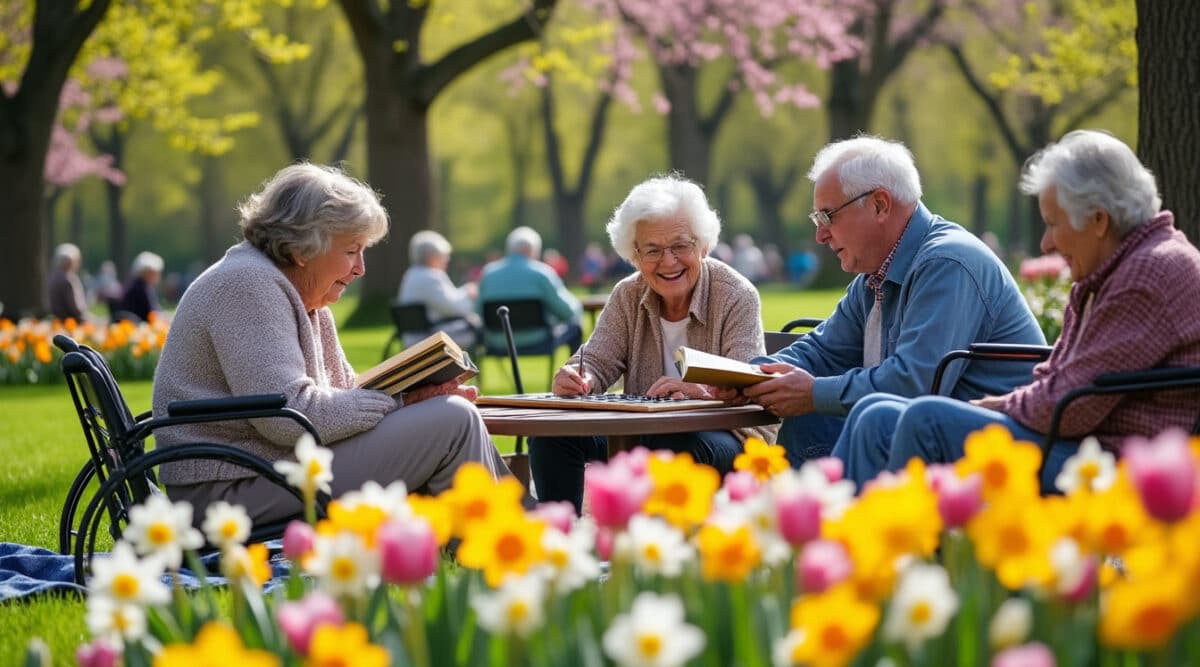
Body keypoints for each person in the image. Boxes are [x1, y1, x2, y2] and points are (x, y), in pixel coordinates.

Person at [831, 130, 1200, 491]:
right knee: (876, 414)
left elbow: (1074, 403)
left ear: (1099, 220)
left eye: (1054, 223)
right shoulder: (1116, 268)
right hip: (1076, 444)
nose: (1046, 242)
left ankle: (910, 550)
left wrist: (1002, 406)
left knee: (926, 419)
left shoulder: (1148, 273)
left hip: (1110, 464)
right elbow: (1065, 385)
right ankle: (851, 546)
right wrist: (1004, 405)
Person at [152, 163, 515, 525]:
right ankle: (505, 543)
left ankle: (505, 537)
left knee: (450, 412)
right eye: (351, 251)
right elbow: (287, 418)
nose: (361, 269)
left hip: (274, 469)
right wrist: (392, 403)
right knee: (453, 419)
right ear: (303, 248)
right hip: (227, 490)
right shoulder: (247, 285)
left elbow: (341, 395)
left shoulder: (304, 295)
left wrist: (411, 397)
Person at [716, 135, 1045, 467]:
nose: (820, 235)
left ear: (879, 204)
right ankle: (810, 512)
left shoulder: (946, 262)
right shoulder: (875, 276)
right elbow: (822, 351)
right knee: (811, 410)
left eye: (827, 217)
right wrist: (745, 378)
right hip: (934, 439)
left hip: (1000, 450)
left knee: (831, 409)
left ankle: (821, 513)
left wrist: (812, 393)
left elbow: (914, 383)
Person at [529, 175, 778, 514]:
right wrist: (578, 375)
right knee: (551, 436)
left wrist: (700, 391)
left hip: (727, 437)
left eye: (680, 246)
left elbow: (746, 385)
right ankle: (562, 545)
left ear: (703, 245)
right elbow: (598, 359)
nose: (668, 261)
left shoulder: (736, 294)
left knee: (671, 444)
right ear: (634, 255)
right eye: (653, 250)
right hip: (641, 432)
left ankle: (663, 554)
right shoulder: (627, 294)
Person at [477, 226, 582, 354]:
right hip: (538, 341)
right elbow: (567, 312)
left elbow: (477, 311)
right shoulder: (542, 273)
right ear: (534, 250)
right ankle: (574, 373)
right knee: (576, 327)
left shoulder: (488, 273)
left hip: (497, 343)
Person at [397, 230, 481, 350]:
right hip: (431, 336)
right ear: (432, 257)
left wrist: (464, 291)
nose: (447, 259)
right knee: (479, 327)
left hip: (413, 336)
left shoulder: (411, 275)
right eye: (444, 255)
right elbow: (454, 308)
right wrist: (469, 294)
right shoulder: (432, 277)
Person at [116, 251, 164, 322]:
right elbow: (153, 313)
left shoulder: (133, 285)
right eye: (156, 273)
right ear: (147, 273)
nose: (158, 276)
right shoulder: (143, 289)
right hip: (139, 327)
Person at [48, 243, 89, 322]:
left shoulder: (53, 277)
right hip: (71, 322)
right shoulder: (69, 279)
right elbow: (76, 308)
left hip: (57, 321)